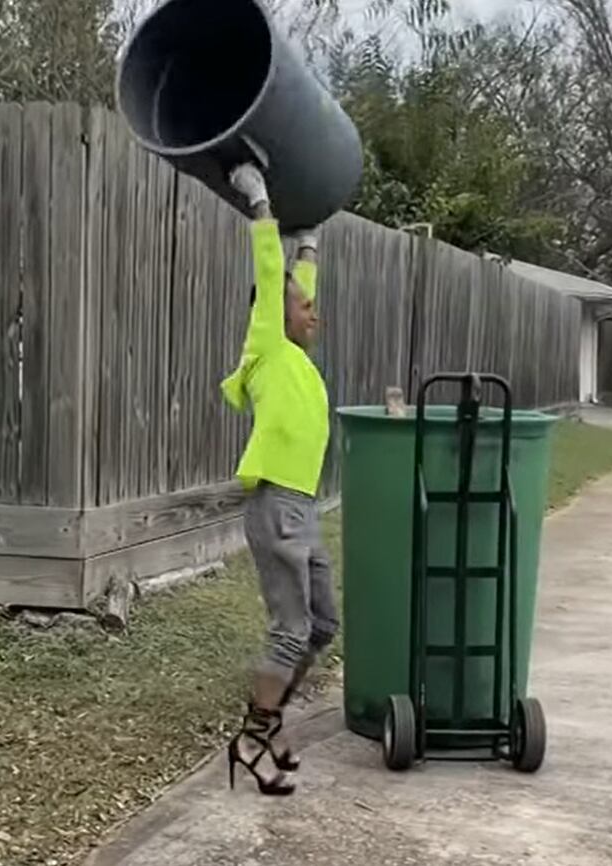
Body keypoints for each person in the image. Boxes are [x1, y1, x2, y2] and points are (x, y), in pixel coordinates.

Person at [219, 163, 336, 797]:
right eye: (301, 304)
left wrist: (311, 240)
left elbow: (294, 279)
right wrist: (260, 198)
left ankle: (270, 721)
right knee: (291, 630)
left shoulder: (296, 354)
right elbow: (274, 274)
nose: (312, 309)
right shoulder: (266, 347)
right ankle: (251, 742)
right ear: (272, 312)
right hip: (278, 509)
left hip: (303, 509)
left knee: (321, 625)